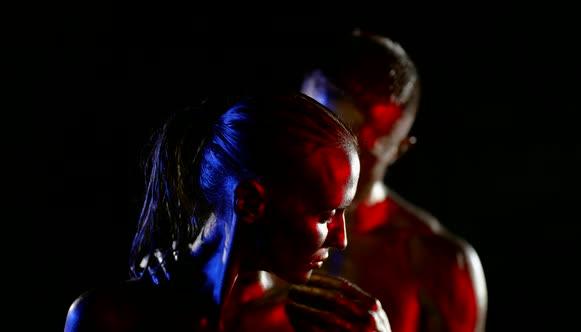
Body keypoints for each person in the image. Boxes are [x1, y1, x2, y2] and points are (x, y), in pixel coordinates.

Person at [63, 91, 392, 331]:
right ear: (249, 201)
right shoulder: (112, 319)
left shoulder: (320, 324)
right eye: (325, 214)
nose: (342, 239)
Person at [299, 29, 489, 332]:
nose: (333, 166)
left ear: (399, 149)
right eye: (316, 135)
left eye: (360, 152)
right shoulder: (245, 222)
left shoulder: (436, 262)